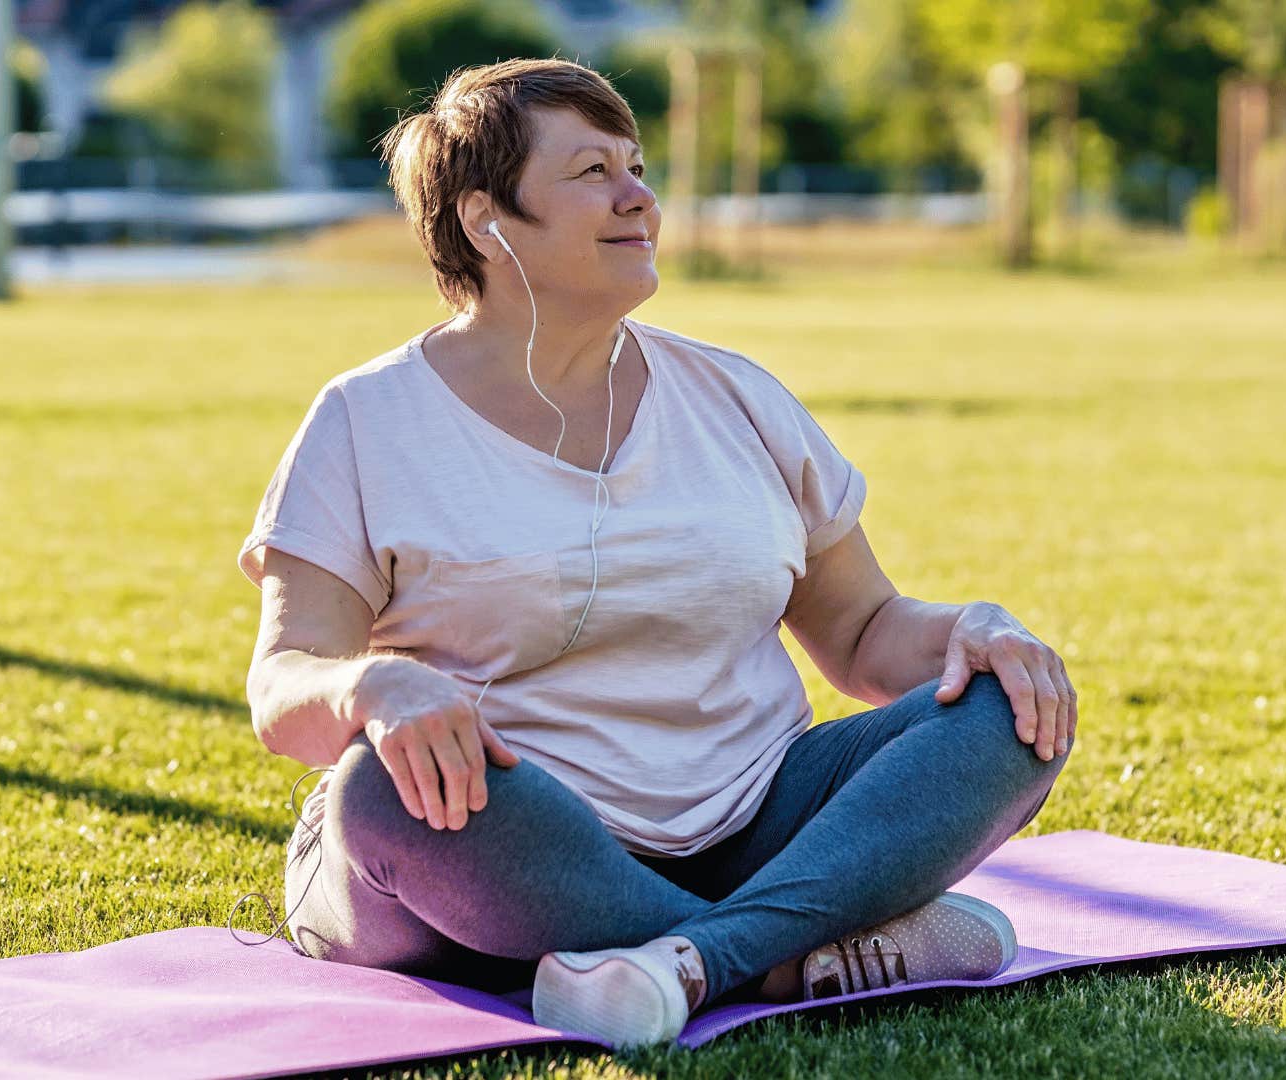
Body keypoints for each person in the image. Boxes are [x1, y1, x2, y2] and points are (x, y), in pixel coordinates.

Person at [236, 58, 1078, 1049]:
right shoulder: (367, 421)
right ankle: (788, 951)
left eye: (636, 167)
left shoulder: (732, 397)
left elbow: (863, 632)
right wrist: (371, 688)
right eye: (592, 170)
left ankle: (692, 959)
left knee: (1005, 709)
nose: (640, 196)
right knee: (378, 789)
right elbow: (283, 688)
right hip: (507, 840)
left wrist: (977, 631)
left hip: (752, 826)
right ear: (484, 220)